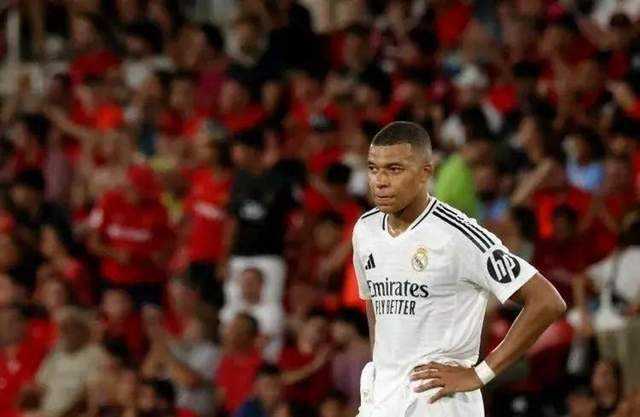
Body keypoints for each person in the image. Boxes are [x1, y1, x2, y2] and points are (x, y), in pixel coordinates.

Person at [352, 121, 566, 416]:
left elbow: (547, 301)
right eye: (373, 168)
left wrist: (480, 374)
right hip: (383, 400)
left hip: (437, 402)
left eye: (394, 169)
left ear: (425, 173)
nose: (380, 181)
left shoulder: (458, 235)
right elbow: (374, 302)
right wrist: (383, 368)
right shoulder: (366, 230)